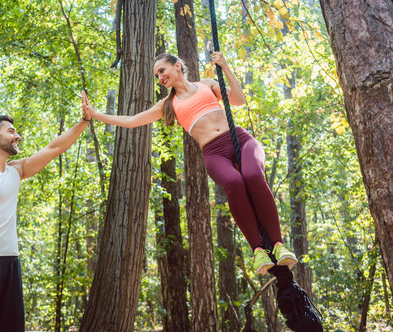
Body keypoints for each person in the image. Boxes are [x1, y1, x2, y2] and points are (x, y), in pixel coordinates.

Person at [82, 52, 297, 275]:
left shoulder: (207, 85)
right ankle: (258, 250)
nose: (160, 78)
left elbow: (238, 100)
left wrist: (224, 66)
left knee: (252, 176)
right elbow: (132, 122)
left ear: (177, 66)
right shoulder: (168, 104)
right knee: (234, 182)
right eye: (156, 75)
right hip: (214, 153)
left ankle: (278, 244)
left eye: (162, 71)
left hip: (240, 140)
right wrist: (96, 115)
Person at [0, 98, 91, 331]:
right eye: (11, 131)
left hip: (11, 263)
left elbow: (53, 148)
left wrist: (84, 121)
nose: (17, 136)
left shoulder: (17, 171)